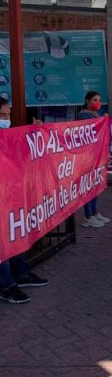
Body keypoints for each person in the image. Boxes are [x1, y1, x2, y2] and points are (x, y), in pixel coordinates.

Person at [0, 96, 49, 304]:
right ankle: (6, 285)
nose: (6, 119)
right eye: (2, 115)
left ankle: (21, 274)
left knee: (15, 235)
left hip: (12, 195)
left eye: (8, 115)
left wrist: (35, 131)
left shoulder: (9, 135)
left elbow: (26, 153)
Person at [78, 91, 111, 228]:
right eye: (95, 100)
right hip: (88, 156)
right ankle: (88, 216)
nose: (98, 102)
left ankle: (95, 212)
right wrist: (102, 121)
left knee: (96, 184)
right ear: (87, 101)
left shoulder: (98, 115)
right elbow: (89, 131)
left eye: (100, 99)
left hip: (98, 154)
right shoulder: (83, 115)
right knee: (89, 185)